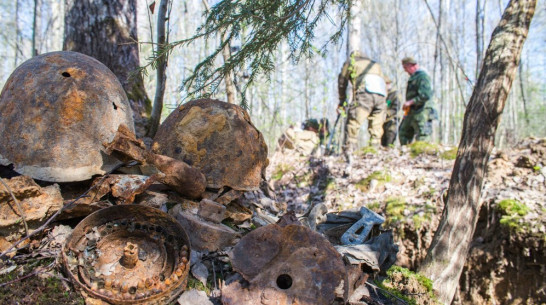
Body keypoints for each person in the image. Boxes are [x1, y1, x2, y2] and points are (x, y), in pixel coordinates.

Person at [338, 50, 387, 162]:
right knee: (376, 127)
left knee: (353, 123)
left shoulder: (351, 62)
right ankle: (374, 154)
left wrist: (341, 101)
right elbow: (385, 82)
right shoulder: (375, 64)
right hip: (381, 96)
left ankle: (351, 154)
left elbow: (342, 81)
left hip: (365, 93)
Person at [398, 57, 434, 145]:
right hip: (412, 111)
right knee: (403, 132)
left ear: (411, 66)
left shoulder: (422, 76)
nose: (405, 71)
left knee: (423, 135)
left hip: (423, 110)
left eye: (405, 68)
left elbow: (425, 95)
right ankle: (405, 153)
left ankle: (422, 155)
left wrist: (410, 102)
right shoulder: (413, 77)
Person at [381, 77, 401, 147]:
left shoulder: (395, 94)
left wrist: (386, 114)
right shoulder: (382, 95)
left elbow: (396, 108)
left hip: (392, 121)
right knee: (382, 143)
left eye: (387, 84)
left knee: (389, 141)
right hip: (383, 122)